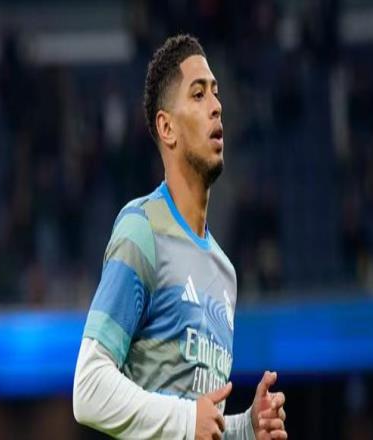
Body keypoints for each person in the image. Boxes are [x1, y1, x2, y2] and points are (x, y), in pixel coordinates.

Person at [73, 34, 287, 440]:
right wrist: (188, 420)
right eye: (198, 94)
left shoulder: (225, 272)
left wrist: (245, 427)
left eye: (216, 93)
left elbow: (200, 422)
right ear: (167, 127)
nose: (216, 106)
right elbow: (88, 389)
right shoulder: (142, 229)